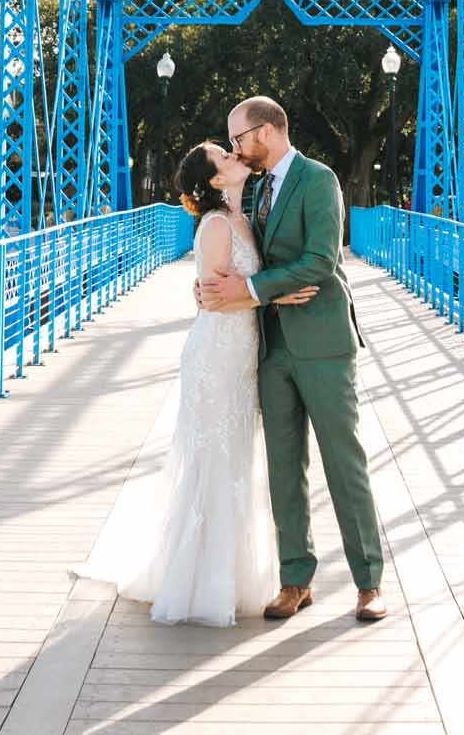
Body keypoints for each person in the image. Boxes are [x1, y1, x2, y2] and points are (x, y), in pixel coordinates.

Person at [78, 141, 317, 625]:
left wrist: (265, 295)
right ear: (214, 181)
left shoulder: (243, 219)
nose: (234, 157)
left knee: (234, 461)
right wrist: (276, 299)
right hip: (216, 356)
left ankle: (229, 572)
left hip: (242, 354)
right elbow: (211, 301)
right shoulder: (213, 226)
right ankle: (201, 581)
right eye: (224, 158)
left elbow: (232, 288)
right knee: (214, 460)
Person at [194, 96, 392, 625]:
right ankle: (295, 580)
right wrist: (223, 287)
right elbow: (236, 250)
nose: (234, 148)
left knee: (344, 463)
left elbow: (321, 260)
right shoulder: (252, 186)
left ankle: (368, 583)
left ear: (265, 131)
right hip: (268, 345)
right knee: (284, 467)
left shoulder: (319, 179)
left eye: (238, 139)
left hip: (323, 342)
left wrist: (253, 288)